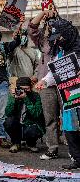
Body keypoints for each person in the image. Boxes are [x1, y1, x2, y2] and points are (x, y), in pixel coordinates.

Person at [35, 18, 80, 170]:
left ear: (67, 34)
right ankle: (77, 159)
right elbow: (55, 72)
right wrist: (44, 81)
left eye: (60, 37)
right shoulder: (60, 52)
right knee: (70, 128)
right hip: (69, 97)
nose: (58, 41)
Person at [28, 10, 61, 160]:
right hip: (45, 83)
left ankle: (75, 149)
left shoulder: (66, 37)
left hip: (64, 81)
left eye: (53, 22)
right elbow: (32, 27)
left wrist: (55, 15)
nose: (50, 25)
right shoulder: (42, 40)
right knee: (50, 117)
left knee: (70, 116)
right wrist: (43, 12)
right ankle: (52, 148)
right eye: (48, 22)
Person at [4, 77, 45, 153]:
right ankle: (16, 143)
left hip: (31, 124)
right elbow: (8, 113)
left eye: (26, 89)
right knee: (8, 122)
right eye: (22, 89)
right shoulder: (14, 96)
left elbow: (36, 114)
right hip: (18, 124)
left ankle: (31, 143)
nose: (24, 91)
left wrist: (26, 99)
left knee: (32, 130)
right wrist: (14, 100)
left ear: (31, 87)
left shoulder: (36, 96)